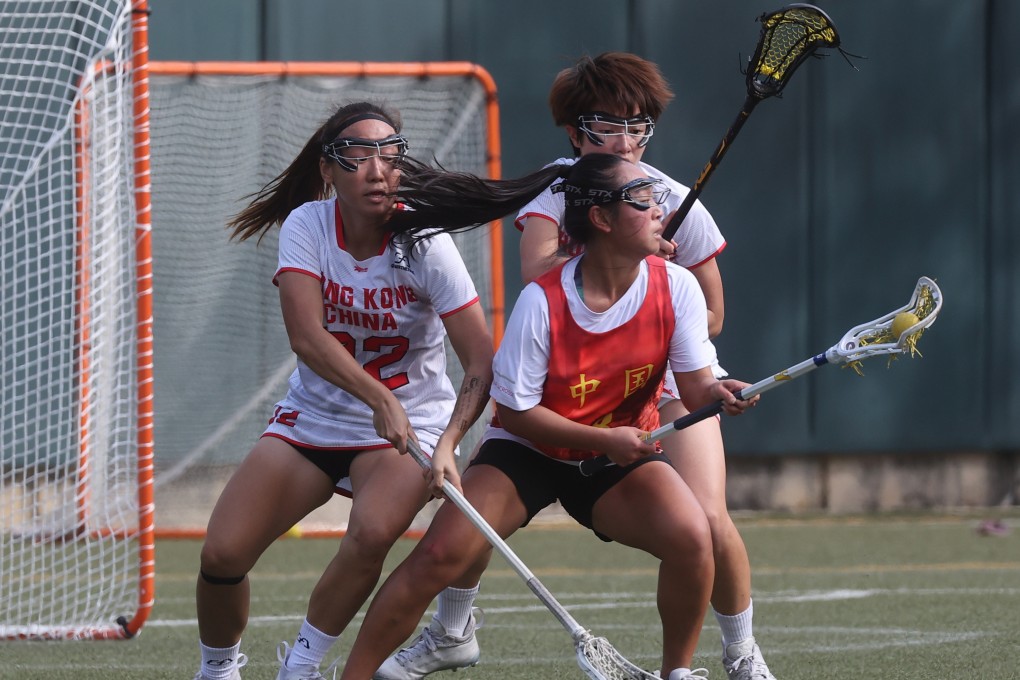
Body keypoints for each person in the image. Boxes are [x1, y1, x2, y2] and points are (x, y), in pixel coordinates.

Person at [380, 52, 778, 680]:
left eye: (639, 126)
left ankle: (740, 654)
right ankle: (452, 629)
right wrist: (612, 256)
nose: (627, 140)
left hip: (663, 376)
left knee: (706, 520)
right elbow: (540, 276)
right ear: (574, 132)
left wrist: (655, 279)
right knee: (481, 500)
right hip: (566, 377)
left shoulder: (673, 201)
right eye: (610, 125)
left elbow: (714, 314)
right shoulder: (561, 189)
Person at [190, 101, 506, 680]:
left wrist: (448, 442)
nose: (378, 169)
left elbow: (481, 360)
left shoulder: (426, 242)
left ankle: (303, 667)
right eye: (358, 155)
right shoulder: (309, 225)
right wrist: (377, 397)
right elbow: (306, 337)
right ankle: (218, 668)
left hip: (411, 425)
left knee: (371, 533)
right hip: (316, 416)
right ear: (328, 171)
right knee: (222, 555)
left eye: (390, 155)